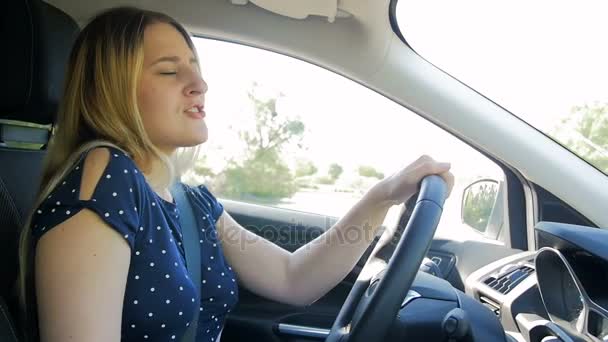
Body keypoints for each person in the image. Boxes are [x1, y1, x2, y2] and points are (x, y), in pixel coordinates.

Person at [17, 6, 454, 342]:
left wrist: (382, 196)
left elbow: (292, 277)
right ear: (110, 90)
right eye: (170, 71)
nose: (199, 84)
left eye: (196, 67)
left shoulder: (187, 199)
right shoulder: (105, 177)